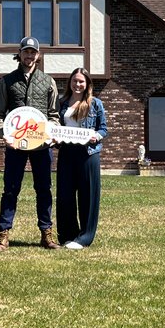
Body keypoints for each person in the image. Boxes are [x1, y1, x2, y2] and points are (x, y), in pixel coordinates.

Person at [0, 36, 60, 251]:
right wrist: (5, 134)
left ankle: (47, 234)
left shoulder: (48, 81)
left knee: (44, 189)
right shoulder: (7, 81)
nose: (29, 56)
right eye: (26, 52)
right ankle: (3, 234)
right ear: (19, 54)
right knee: (11, 189)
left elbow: (54, 114)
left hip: (41, 146)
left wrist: (51, 132)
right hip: (15, 146)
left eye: (33, 52)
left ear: (38, 55)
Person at [56, 67, 108, 250]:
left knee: (88, 196)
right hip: (67, 154)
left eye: (81, 81)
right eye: (74, 81)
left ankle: (85, 237)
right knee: (65, 196)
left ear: (87, 84)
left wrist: (97, 136)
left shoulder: (95, 103)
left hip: (88, 154)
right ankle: (67, 235)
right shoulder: (62, 103)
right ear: (70, 83)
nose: (77, 84)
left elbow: (103, 128)